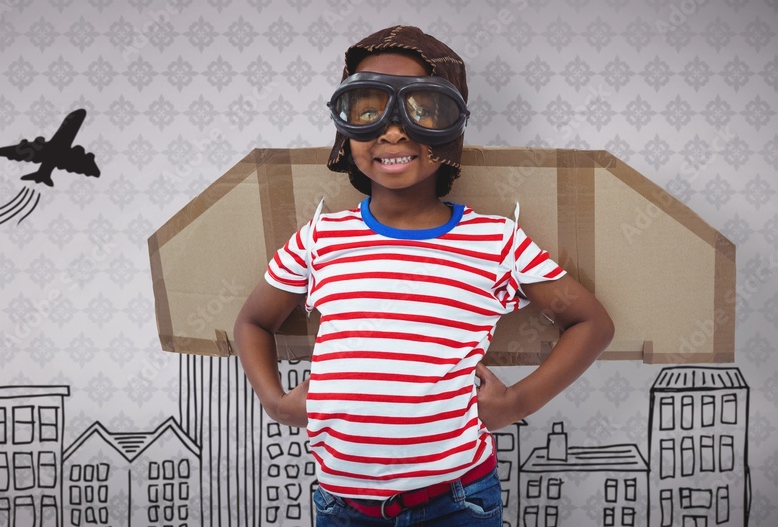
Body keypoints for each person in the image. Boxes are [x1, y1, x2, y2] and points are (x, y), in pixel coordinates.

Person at [234, 25, 614, 526]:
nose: (392, 131)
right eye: (367, 111)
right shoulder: (321, 237)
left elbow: (591, 324)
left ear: (450, 126)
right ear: (345, 132)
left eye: (420, 109)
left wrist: (516, 402)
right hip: (342, 506)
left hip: (458, 501)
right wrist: (276, 403)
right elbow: (252, 323)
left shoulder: (494, 241)